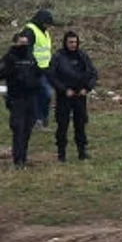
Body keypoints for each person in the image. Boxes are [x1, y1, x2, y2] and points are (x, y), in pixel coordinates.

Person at [49, 31, 96, 162]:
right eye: (70, 42)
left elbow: (93, 73)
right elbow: (52, 76)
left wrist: (87, 88)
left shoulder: (83, 56)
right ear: (65, 42)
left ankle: (82, 151)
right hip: (64, 96)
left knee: (80, 124)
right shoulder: (58, 57)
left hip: (80, 95)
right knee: (62, 125)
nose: (73, 45)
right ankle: (61, 153)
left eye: (75, 42)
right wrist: (64, 90)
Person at [2, 32, 41, 167]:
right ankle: (18, 159)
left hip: (31, 97)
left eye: (26, 44)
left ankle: (23, 156)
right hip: (16, 98)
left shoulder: (30, 56)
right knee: (18, 128)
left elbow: (36, 72)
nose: (24, 46)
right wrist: (14, 72)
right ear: (15, 43)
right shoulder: (9, 58)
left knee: (28, 128)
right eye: (21, 44)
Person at [24, 9, 53, 129]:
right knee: (44, 93)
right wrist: (34, 66)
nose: (49, 26)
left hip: (45, 69)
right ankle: (38, 119)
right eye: (47, 23)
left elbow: (45, 50)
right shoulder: (29, 31)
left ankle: (41, 118)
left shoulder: (44, 31)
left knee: (44, 95)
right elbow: (27, 51)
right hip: (34, 70)